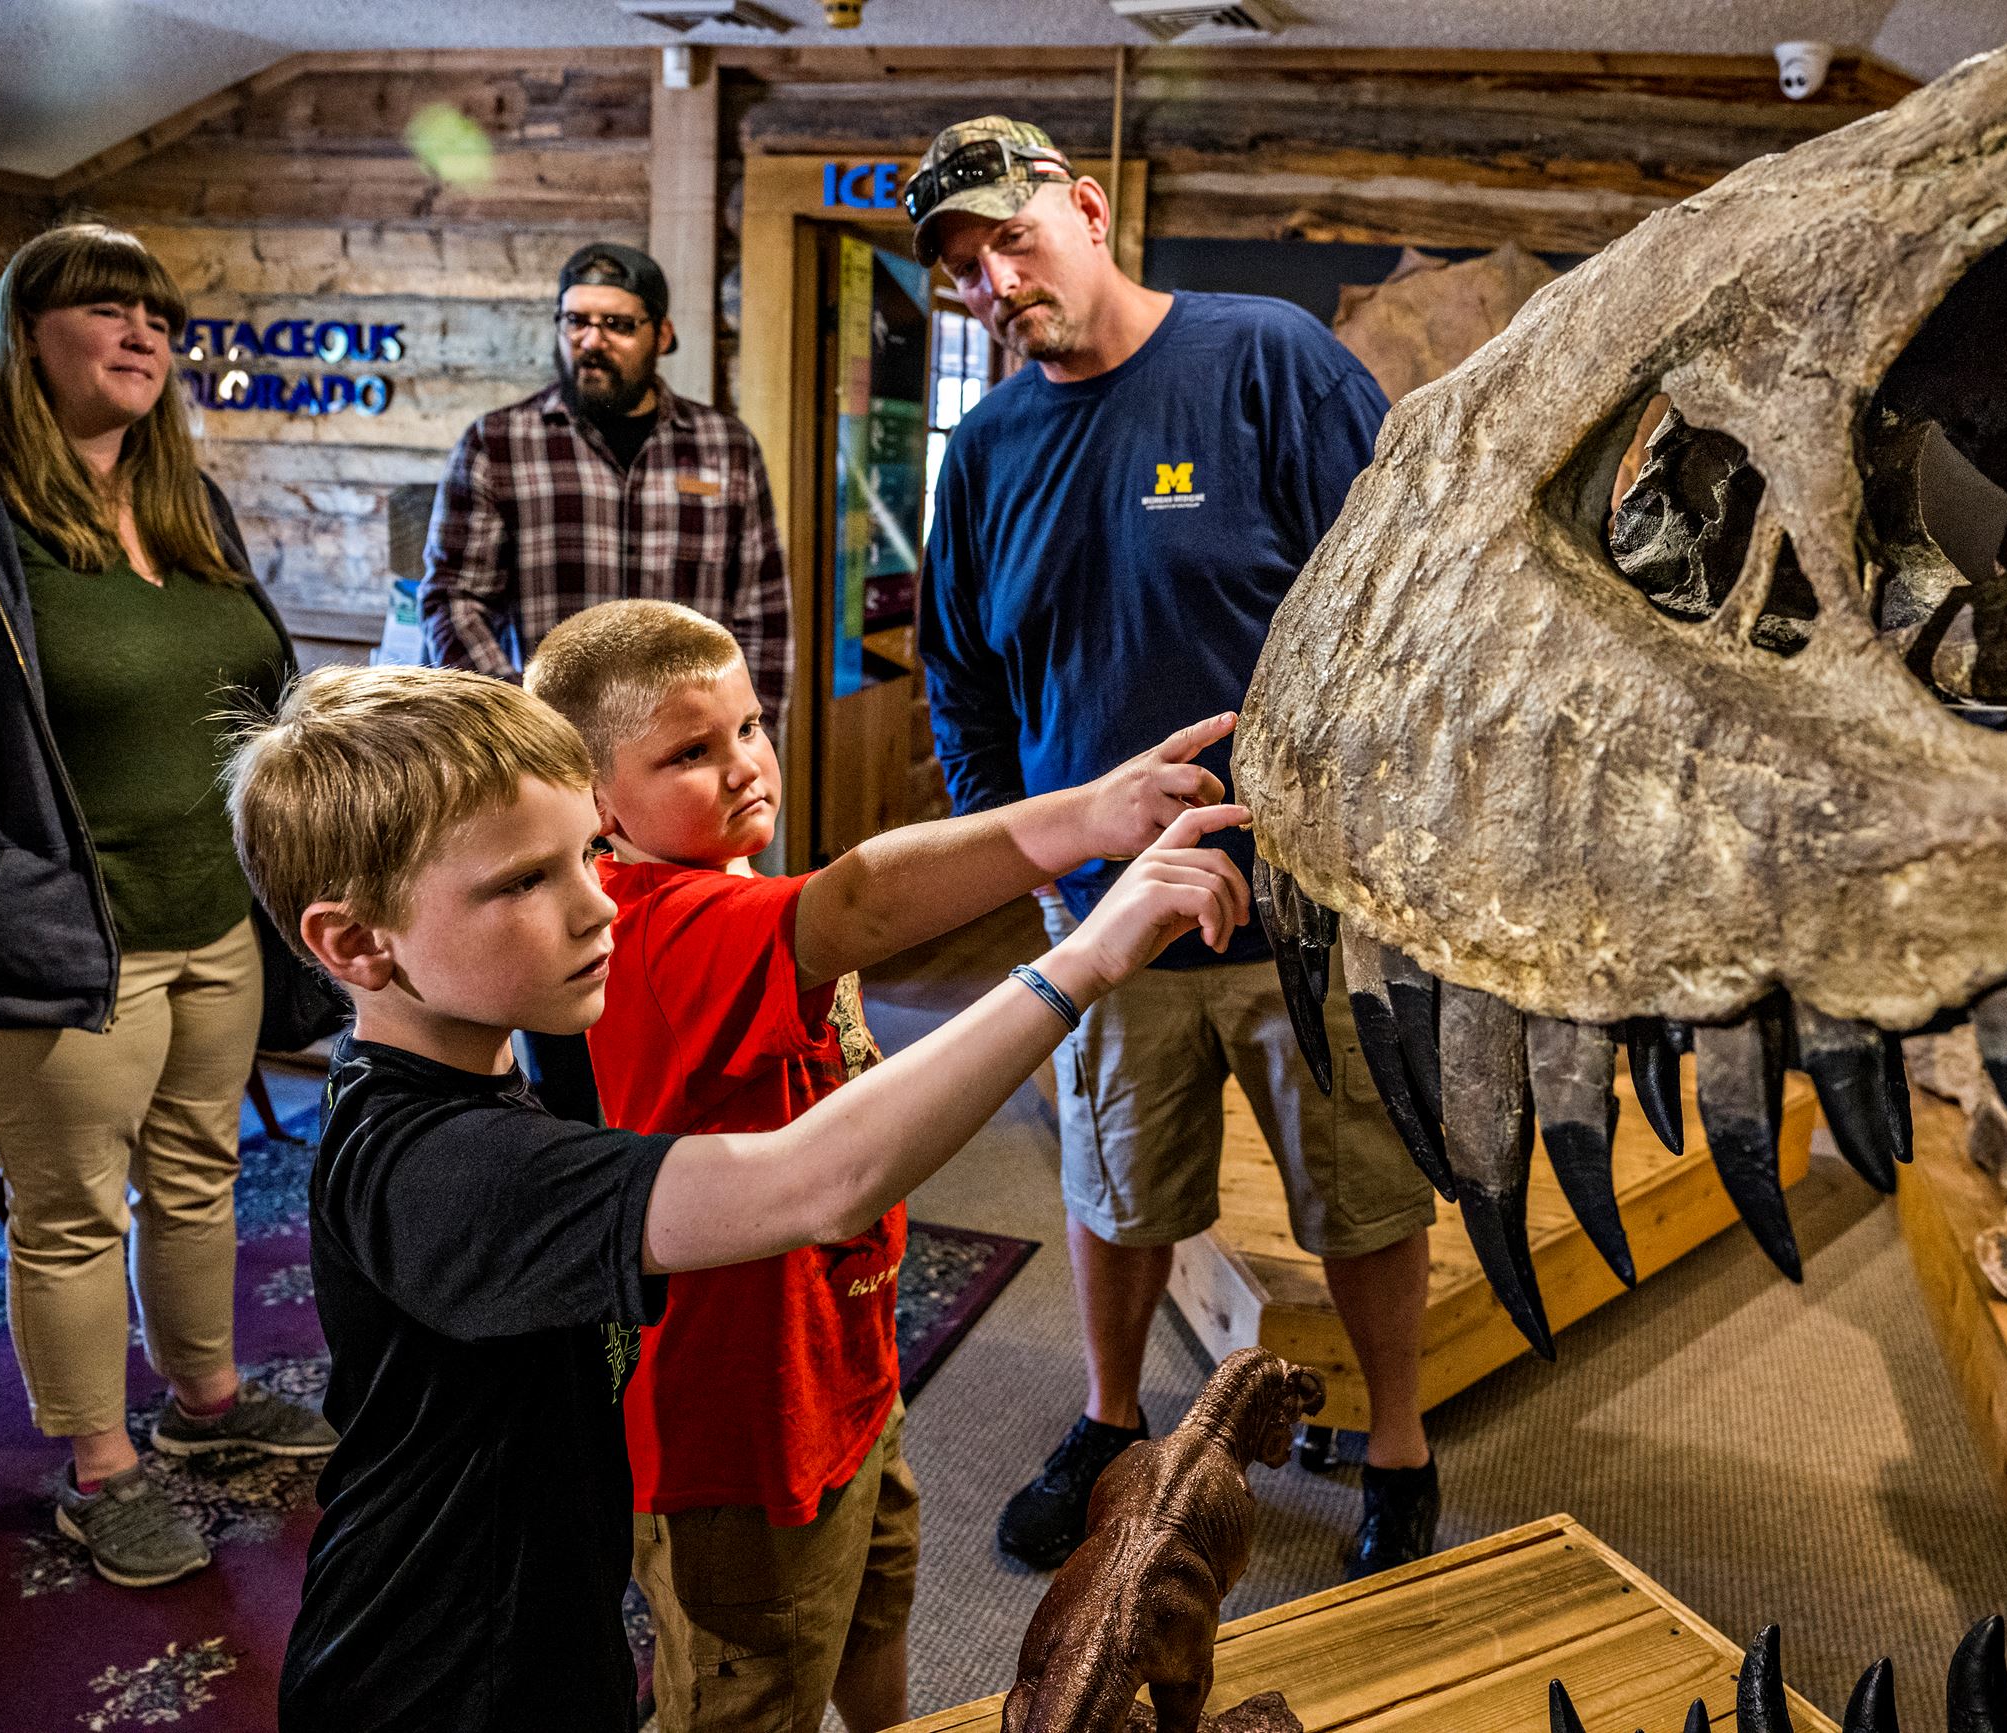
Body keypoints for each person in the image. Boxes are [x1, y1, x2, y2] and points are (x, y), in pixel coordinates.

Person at [229, 661, 1249, 1733]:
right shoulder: (436, 1166)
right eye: (524, 881)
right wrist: (1079, 960)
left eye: (588, 851)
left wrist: (1086, 820)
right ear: (354, 942)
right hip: (436, 1681)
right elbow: (812, 1179)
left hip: (542, 1625)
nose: (595, 906)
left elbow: (853, 901)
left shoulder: (483, 1039)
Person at [526, 598, 1237, 1732]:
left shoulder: (738, 895)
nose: (744, 765)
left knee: (870, 1620)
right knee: (751, 1687)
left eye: (750, 727)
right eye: (688, 753)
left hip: (840, 1381)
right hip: (736, 1438)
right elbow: (859, 898)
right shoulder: (650, 922)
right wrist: (1084, 819)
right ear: (595, 801)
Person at [910, 117, 1441, 1580]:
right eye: (963, 268)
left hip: (1311, 906)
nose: (993, 281)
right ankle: (1105, 1417)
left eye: (1010, 238)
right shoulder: (991, 451)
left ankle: (1398, 1448)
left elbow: (1398, 609)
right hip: (1107, 916)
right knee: (1112, 1188)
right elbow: (960, 675)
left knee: (1363, 1192)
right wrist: (1031, 866)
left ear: (1086, 208)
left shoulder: (1268, 358)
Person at [0, 226, 337, 1590]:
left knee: (200, 1174)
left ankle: (205, 1406)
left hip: (215, 911)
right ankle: (101, 1467)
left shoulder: (188, 503)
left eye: (158, 312)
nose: (144, 330)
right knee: (70, 1215)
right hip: (53, 932)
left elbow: (249, 692)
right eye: (106, 307)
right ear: (19, 334)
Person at [418, 240, 793, 1122]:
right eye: (576, 322)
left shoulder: (724, 447)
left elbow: (764, 605)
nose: (593, 341)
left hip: (693, 784)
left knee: (709, 981)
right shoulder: (500, 444)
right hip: (551, 790)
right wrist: (533, 736)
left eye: (616, 325)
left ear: (660, 335)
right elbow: (452, 597)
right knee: (566, 995)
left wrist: (744, 745)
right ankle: (589, 1163)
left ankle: (708, 1150)